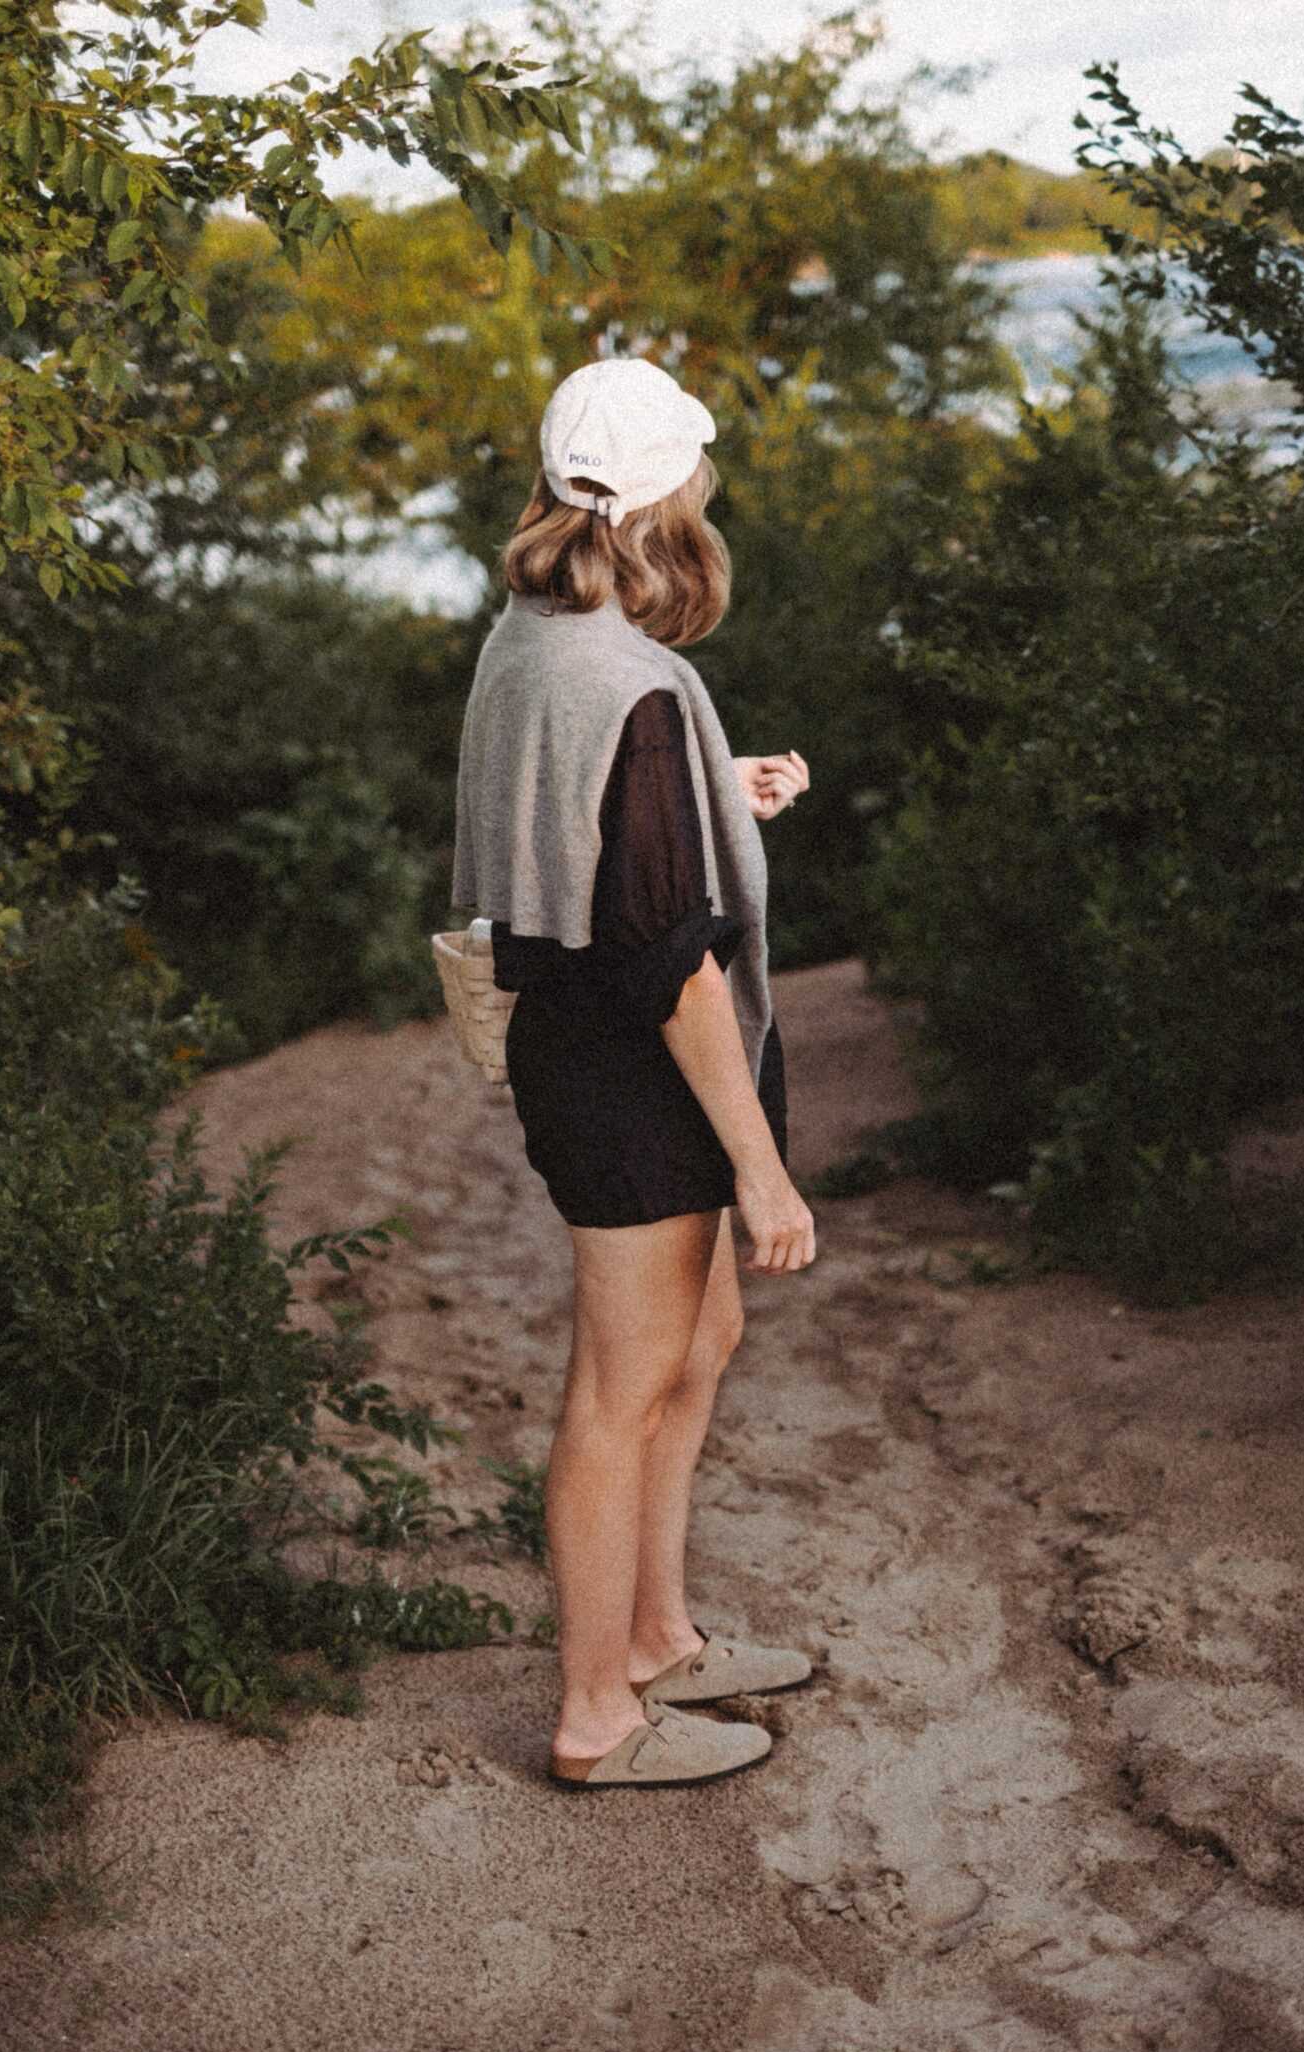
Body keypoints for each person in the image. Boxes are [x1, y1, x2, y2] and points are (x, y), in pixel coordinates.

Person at [451, 355, 817, 1789]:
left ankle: (658, 1636)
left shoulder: (535, 634)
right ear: (672, 496)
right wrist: (763, 1167)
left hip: (590, 1045)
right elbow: (670, 962)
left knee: (695, 1349)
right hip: (631, 1071)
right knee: (620, 1390)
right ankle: (597, 1716)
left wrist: (712, 795)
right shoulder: (634, 683)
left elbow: (571, 808)